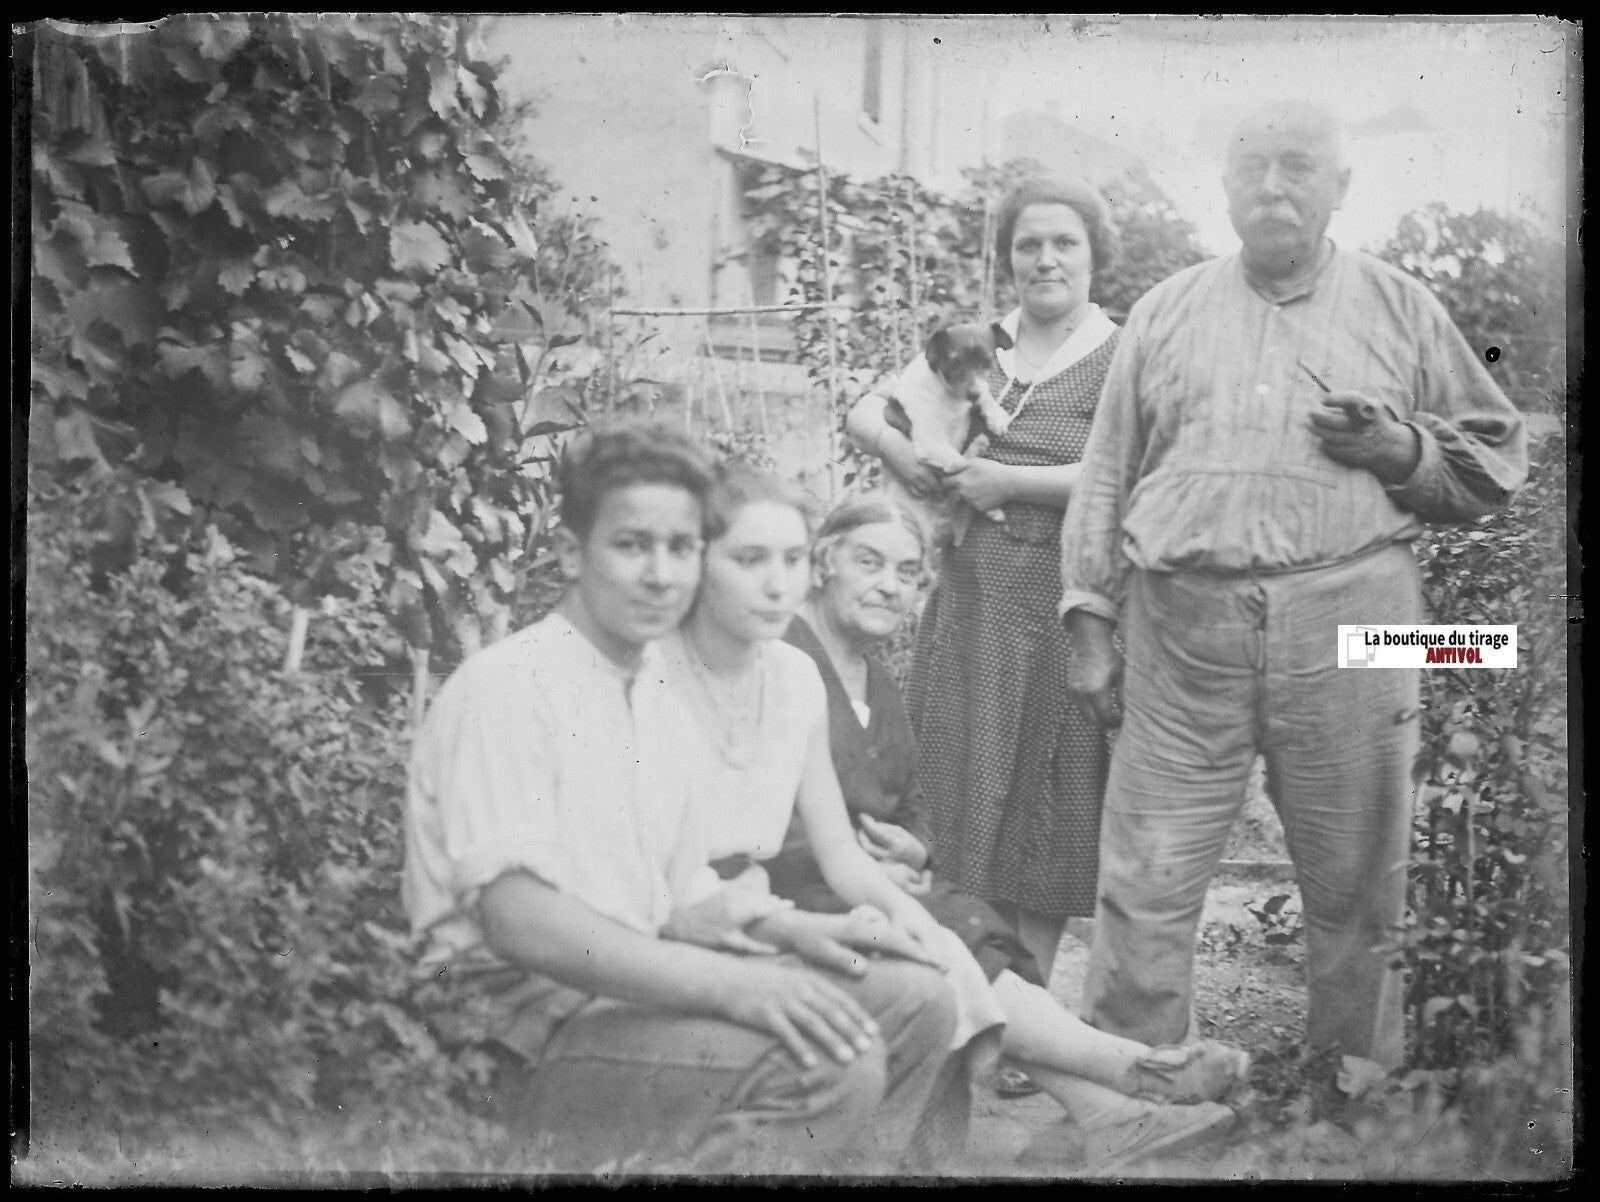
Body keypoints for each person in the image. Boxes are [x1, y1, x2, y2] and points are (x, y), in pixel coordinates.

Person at [1057, 101, 1529, 1079]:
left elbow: (1495, 455)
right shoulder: (1166, 308)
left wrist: (1400, 447)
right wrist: (1090, 621)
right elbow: (1105, 473)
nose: (1272, 187)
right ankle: (1133, 1089)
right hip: (1182, 630)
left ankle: (1354, 1093)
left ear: (1340, 186)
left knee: (1359, 873)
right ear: (1223, 189)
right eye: (1251, 169)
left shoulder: (1400, 304)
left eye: (1297, 167)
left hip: (1355, 620)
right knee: (1145, 872)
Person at [403, 423, 962, 1175]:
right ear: (572, 553)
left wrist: (793, 931)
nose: (661, 575)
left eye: (681, 548)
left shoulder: (655, 697)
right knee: (827, 1064)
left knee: (918, 1003)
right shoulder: (511, 686)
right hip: (509, 1020)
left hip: (622, 986)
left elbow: (679, 895)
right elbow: (519, 920)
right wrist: (739, 987)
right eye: (631, 546)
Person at [660, 473, 1246, 1172]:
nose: (888, 586)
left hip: (844, 880)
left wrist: (914, 846)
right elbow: (755, 814)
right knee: (951, 930)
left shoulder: (870, 677)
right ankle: (1130, 1076)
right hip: (782, 889)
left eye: (908, 574)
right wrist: (871, 873)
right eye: (868, 563)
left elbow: (908, 803)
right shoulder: (777, 660)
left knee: (951, 921)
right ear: (826, 564)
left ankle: (1112, 1108)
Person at [844, 177, 1121, 985]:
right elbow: (868, 410)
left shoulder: (1120, 349)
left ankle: (1026, 995)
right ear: (1008, 260)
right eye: (1027, 245)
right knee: (959, 791)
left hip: (1069, 605)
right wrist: (901, 455)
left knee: (1048, 803)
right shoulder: (976, 340)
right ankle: (973, 993)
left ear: (1094, 256)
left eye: (1064, 243)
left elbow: (1130, 471)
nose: (1045, 260)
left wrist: (1008, 482)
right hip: (970, 606)